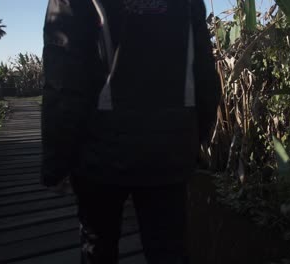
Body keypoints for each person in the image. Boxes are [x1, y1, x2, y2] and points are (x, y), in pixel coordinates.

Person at [41, 0, 221, 263]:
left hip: (99, 155)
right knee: (168, 251)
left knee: (98, 249)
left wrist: (56, 165)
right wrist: (194, 139)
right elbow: (204, 73)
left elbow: (64, 83)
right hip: (169, 151)